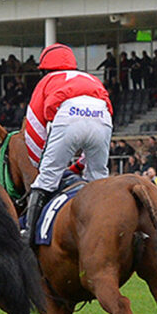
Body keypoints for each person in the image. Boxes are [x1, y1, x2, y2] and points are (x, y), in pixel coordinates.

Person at [19, 43, 114, 240]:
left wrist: (39, 164)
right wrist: (82, 164)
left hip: (69, 115)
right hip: (101, 116)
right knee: (98, 179)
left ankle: (28, 236)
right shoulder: (91, 78)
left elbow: (34, 124)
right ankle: (105, 233)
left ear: (45, 68)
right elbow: (108, 115)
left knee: (46, 179)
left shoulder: (47, 80)